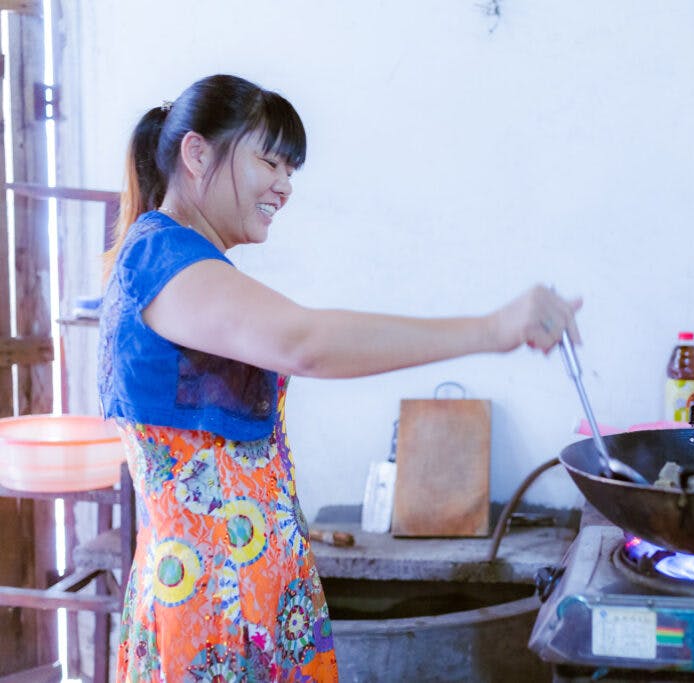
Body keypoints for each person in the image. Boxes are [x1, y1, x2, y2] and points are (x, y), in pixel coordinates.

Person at [98, 74, 581, 681]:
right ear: (197, 154)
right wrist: (493, 329)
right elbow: (306, 343)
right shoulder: (160, 257)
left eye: (291, 170)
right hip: (217, 606)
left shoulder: (184, 261)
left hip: (245, 594)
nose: (285, 185)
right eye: (270, 161)